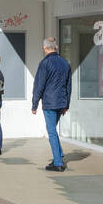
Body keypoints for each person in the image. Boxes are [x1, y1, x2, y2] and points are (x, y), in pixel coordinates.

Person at [31, 37, 72, 172]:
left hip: (50, 102)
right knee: (53, 130)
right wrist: (67, 104)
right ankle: (58, 155)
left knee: (51, 132)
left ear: (44, 48)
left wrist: (34, 104)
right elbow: (68, 86)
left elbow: (39, 85)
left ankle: (58, 163)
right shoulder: (65, 63)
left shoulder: (45, 63)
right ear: (56, 47)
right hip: (61, 102)